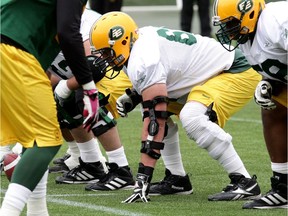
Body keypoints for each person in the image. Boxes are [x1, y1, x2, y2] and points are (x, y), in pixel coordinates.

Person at [89, 11, 262, 203]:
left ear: (122, 41)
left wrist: (142, 177)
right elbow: (169, 71)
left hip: (234, 70)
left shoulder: (143, 57)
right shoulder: (138, 43)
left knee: (191, 117)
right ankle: (177, 179)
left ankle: (245, 181)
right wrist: (134, 95)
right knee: (160, 113)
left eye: (106, 52)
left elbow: (155, 119)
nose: (104, 58)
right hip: (210, 72)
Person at [0, 0, 100, 215]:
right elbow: (68, 33)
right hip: (11, 49)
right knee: (46, 141)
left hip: (13, 47)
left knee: (34, 137)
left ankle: (38, 211)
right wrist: (89, 87)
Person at [47, 8, 135, 190]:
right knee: (56, 98)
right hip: (89, 76)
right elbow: (53, 72)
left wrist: (67, 85)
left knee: (82, 98)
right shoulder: (44, 21)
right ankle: (92, 164)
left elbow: (94, 66)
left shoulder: (76, 19)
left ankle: (121, 170)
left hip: (114, 72)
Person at [213, 0, 287, 209]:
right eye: (225, 26)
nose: (228, 32)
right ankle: (284, 187)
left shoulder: (277, 21)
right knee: (272, 107)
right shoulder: (248, 38)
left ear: (250, 13)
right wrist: (268, 85)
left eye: (231, 24)